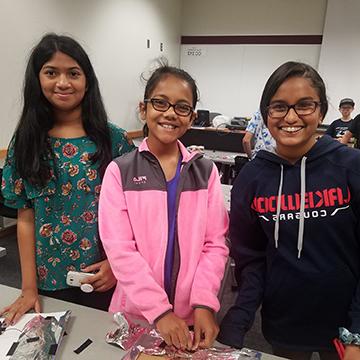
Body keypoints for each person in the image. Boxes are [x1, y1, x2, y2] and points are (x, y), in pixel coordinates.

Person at [218, 61, 360, 360]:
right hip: (283, 323)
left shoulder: (349, 167)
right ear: (266, 114)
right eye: (279, 107)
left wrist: (357, 332)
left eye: (305, 105)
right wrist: (238, 320)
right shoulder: (253, 178)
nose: (291, 117)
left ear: (321, 111)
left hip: (345, 326)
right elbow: (251, 260)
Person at [0, 33, 135, 324]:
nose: (63, 82)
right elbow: (25, 218)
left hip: (106, 275)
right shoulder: (25, 141)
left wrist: (117, 264)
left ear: (87, 81)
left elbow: (134, 213)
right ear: (38, 80)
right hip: (48, 279)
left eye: (73, 73)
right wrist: (28, 288)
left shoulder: (114, 140)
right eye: (51, 72)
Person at [98, 64, 229, 350]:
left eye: (182, 107)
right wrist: (159, 311)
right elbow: (120, 249)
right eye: (160, 102)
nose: (170, 113)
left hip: (191, 314)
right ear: (143, 109)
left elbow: (215, 244)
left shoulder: (205, 171)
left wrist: (205, 303)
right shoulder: (120, 171)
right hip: (136, 313)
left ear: (192, 117)